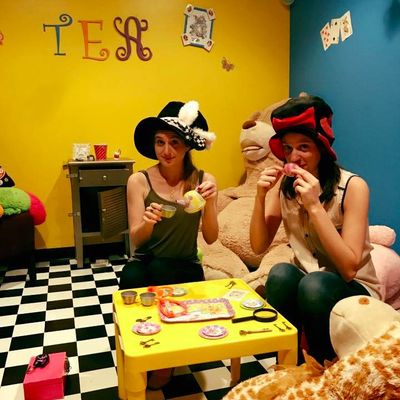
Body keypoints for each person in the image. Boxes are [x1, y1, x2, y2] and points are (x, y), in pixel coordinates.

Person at [250, 94, 381, 365]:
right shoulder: (285, 187)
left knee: (314, 283)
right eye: (287, 148)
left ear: (321, 148)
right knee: (281, 273)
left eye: (304, 147)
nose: (294, 157)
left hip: (355, 288)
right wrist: (260, 196)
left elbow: (349, 268)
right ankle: (289, 364)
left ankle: (323, 369)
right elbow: (258, 246)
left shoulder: (353, 187)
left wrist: (314, 206)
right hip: (308, 280)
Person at [119, 100, 218, 389]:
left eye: (175, 142)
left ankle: (165, 361)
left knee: (163, 271)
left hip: (185, 263)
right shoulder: (138, 181)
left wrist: (211, 202)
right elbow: (136, 240)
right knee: (130, 277)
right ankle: (137, 348)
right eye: (160, 142)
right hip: (146, 261)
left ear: (188, 145)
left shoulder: (203, 180)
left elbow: (211, 237)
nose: (166, 150)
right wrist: (148, 222)